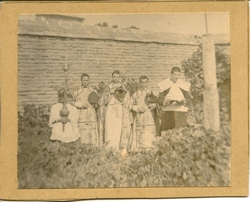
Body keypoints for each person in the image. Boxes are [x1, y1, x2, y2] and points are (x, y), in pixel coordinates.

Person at [129, 75, 160, 151]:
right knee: (140, 135)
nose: (144, 84)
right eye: (142, 82)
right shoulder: (136, 94)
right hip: (139, 117)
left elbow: (158, 103)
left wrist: (154, 105)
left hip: (150, 117)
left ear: (147, 83)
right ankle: (139, 151)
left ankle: (150, 150)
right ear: (140, 83)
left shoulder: (151, 93)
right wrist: (137, 108)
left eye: (145, 82)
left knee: (149, 134)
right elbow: (129, 105)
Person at [157, 67, 191, 132]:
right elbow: (159, 100)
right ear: (171, 74)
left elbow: (188, 98)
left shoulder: (183, 84)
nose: (177, 77)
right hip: (168, 112)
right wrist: (164, 102)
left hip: (181, 112)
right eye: (175, 74)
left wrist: (184, 101)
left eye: (178, 75)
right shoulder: (164, 84)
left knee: (181, 133)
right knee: (167, 133)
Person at [73, 73, 100, 146]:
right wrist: (80, 104)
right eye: (84, 80)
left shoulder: (93, 91)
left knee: (92, 132)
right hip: (82, 115)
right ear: (81, 81)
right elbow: (72, 102)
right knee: (82, 133)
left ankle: (93, 147)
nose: (85, 82)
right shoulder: (77, 92)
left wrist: (95, 105)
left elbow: (97, 103)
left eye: (87, 80)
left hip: (91, 114)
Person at [104, 86, 132, 156]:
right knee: (112, 140)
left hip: (120, 126)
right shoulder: (112, 103)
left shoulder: (122, 103)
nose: (121, 99)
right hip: (112, 126)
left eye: (122, 98)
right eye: (119, 98)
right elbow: (108, 117)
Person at [98, 70, 122, 145]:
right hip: (110, 108)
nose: (116, 78)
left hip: (119, 108)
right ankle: (109, 146)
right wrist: (110, 94)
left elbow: (125, 98)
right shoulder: (108, 87)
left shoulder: (122, 86)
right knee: (109, 127)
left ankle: (117, 146)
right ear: (112, 77)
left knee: (118, 126)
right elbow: (102, 99)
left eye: (117, 77)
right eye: (114, 77)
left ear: (119, 78)